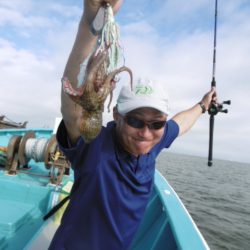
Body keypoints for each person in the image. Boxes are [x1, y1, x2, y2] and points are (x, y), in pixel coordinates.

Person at [49, 0, 216, 249]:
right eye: (136, 120)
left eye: (156, 123)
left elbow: (180, 123)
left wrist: (202, 106)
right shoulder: (94, 144)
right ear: (116, 115)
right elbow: (71, 110)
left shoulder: (152, 145)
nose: (145, 132)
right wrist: (90, 26)